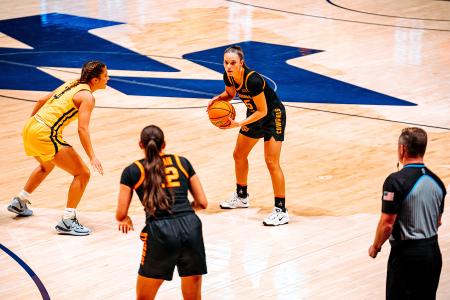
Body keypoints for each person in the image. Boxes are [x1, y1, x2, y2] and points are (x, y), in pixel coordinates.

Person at [7, 60, 108, 236]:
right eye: (105, 75)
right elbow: (82, 129)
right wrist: (92, 156)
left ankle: (20, 201)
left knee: (47, 165)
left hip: (31, 127)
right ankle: (68, 221)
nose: (108, 78)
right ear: (95, 80)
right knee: (82, 173)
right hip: (44, 133)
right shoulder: (88, 97)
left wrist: (31, 125)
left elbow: (41, 100)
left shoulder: (73, 83)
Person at [116, 125, 208, 300]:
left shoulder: (133, 170)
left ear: (140, 145)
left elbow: (120, 214)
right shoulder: (182, 162)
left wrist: (126, 219)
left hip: (161, 231)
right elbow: (202, 203)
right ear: (164, 144)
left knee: (144, 298)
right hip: (191, 226)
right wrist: (184, 210)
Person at [209, 45, 288, 226]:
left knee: (271, 162)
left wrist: (238, 124)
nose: (228, 66)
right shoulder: (228, 75)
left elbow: (262, 110)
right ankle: (242, 197)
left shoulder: (253, 80)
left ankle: (281, 211)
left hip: (272, 115)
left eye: (233, 63)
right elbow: (230, 94)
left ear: (241, 63)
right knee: (239, 154)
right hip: (254, 115)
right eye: (226, 63)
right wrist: (218, 99)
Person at [368, 127, 446, 300]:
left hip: (407, 256)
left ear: (402, 149)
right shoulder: (438, 182)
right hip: (432, 253)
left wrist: (376, 246)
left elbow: (387, 223)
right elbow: (437, 221)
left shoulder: (395, 181)